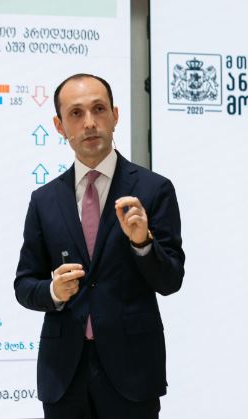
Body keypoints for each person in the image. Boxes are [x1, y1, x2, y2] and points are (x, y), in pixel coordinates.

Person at [14, 73, 185, 419]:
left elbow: (171, 281)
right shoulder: (44, 200)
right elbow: (24, 285)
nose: (90, 122)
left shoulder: (154, 190)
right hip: (64, 375)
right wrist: (54, 291)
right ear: (59, 126)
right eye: (76, 113)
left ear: (115, 115)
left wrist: (143, 243)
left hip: (133, 372)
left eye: (99, 109)